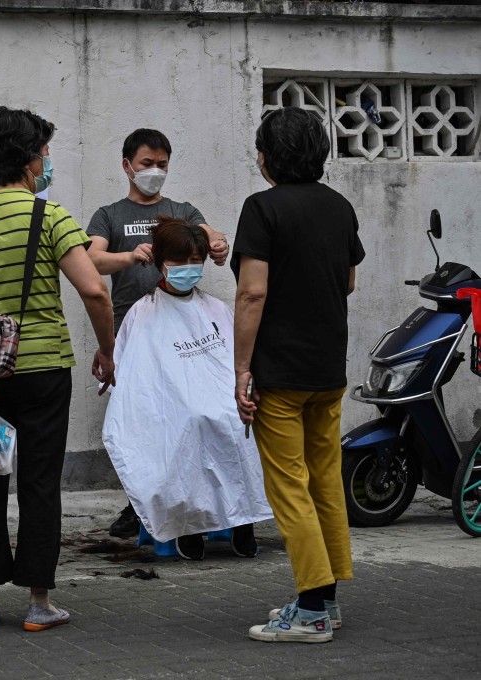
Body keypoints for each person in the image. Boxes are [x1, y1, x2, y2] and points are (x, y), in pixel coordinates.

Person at [0, 106, 115, 632]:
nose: (48, 160)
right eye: (45, 152)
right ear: (31, 161)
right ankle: (38, 603)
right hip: (42, 368)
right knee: (38, 483)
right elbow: (94, 289)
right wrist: (108, 349)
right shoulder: (49, 216)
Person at [233, 107, 364, 643]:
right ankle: (327, 599)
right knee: (324, 480)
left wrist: (242, 367)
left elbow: (251, 292)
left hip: (281, 373)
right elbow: (349, 281)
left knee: (289, 486)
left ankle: (310, 610)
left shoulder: (261, 208)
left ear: (269, 156)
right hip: (327, 368)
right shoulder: (339, 206)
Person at [85, 129, 230, 540]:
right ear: (127, 164)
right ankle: (139, 504)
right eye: (147, 164)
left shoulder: (181, 209)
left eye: (162, 164)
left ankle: (197, 503)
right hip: (132, 332)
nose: (155, 171)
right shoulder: (109, 215)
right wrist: (128, 256)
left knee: (186, 420)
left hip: (182, 333)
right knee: (140, 424)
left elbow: (211, 236)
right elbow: (92, 258)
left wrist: (217, 246)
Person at [102, 217, 272, 562]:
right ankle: (188, 524)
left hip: (220, 396)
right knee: (192, 421)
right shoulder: (142, 313)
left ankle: (242, 520)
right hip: (172, 405)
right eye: (180, 261)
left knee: (234, 418)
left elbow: (234, 358)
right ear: (161, 261)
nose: (189, 268)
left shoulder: (215, 309)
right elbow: (138, 378)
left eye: (196, 261)